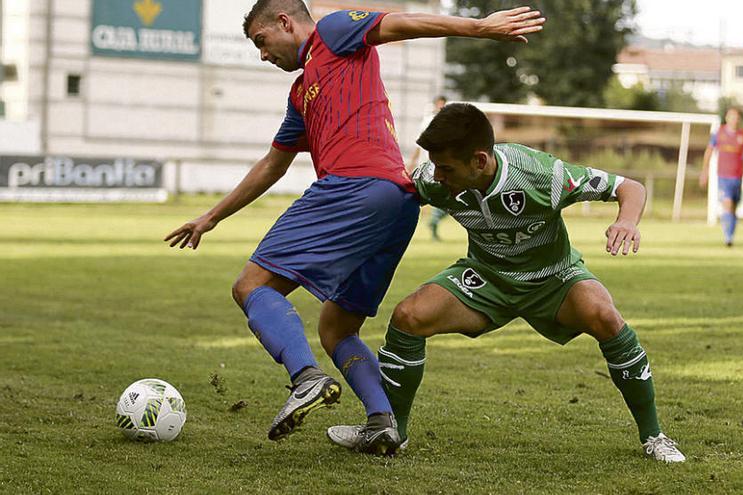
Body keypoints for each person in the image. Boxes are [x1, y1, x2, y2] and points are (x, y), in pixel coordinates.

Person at [163, 0, 545, 456]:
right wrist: (212, 216)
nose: (263, 56)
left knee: (251, 286)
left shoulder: (334, 31)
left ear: (285, 22)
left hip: (354, 189)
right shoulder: (302, 91)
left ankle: (305, 379)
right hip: (398, 205)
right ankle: (382, 422)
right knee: (337, 328)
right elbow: (273, 165)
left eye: (262, 43)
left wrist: (479, 29)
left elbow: (401, 23)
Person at [327, 103, 686, 463]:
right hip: (485, 279)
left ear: (479, 161)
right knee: (408, 316)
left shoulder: (543, 175)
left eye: (446, 168)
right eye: (436, 166)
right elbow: (394, 194)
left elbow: (630, 187)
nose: (437, 176)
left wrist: (626, 221)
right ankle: (392, 433)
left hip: (554, 280)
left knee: (606, 317)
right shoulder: (437, 181)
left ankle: (654, 436)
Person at [700, 107, 743, 247]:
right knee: (727, 203)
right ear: (726, 118)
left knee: (734, 207)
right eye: (731, 116)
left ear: (739, 119)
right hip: (723, 176)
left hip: (737, 176)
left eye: (736, 117)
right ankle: (728, 237)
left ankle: (730, 233)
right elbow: (709, 151)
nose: (734, 119)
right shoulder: (718, 133)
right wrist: (705, 171)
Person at [408, 95, 450, 241]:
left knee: (447, 196)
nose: (441, 106)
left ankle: (433, 222)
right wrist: (412, 164)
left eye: (443, 104)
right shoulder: (428, 121)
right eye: (439, 104)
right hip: (428, 167)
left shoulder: (449, 123)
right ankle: (431, 224)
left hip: (443, 166)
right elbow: (418, 145)